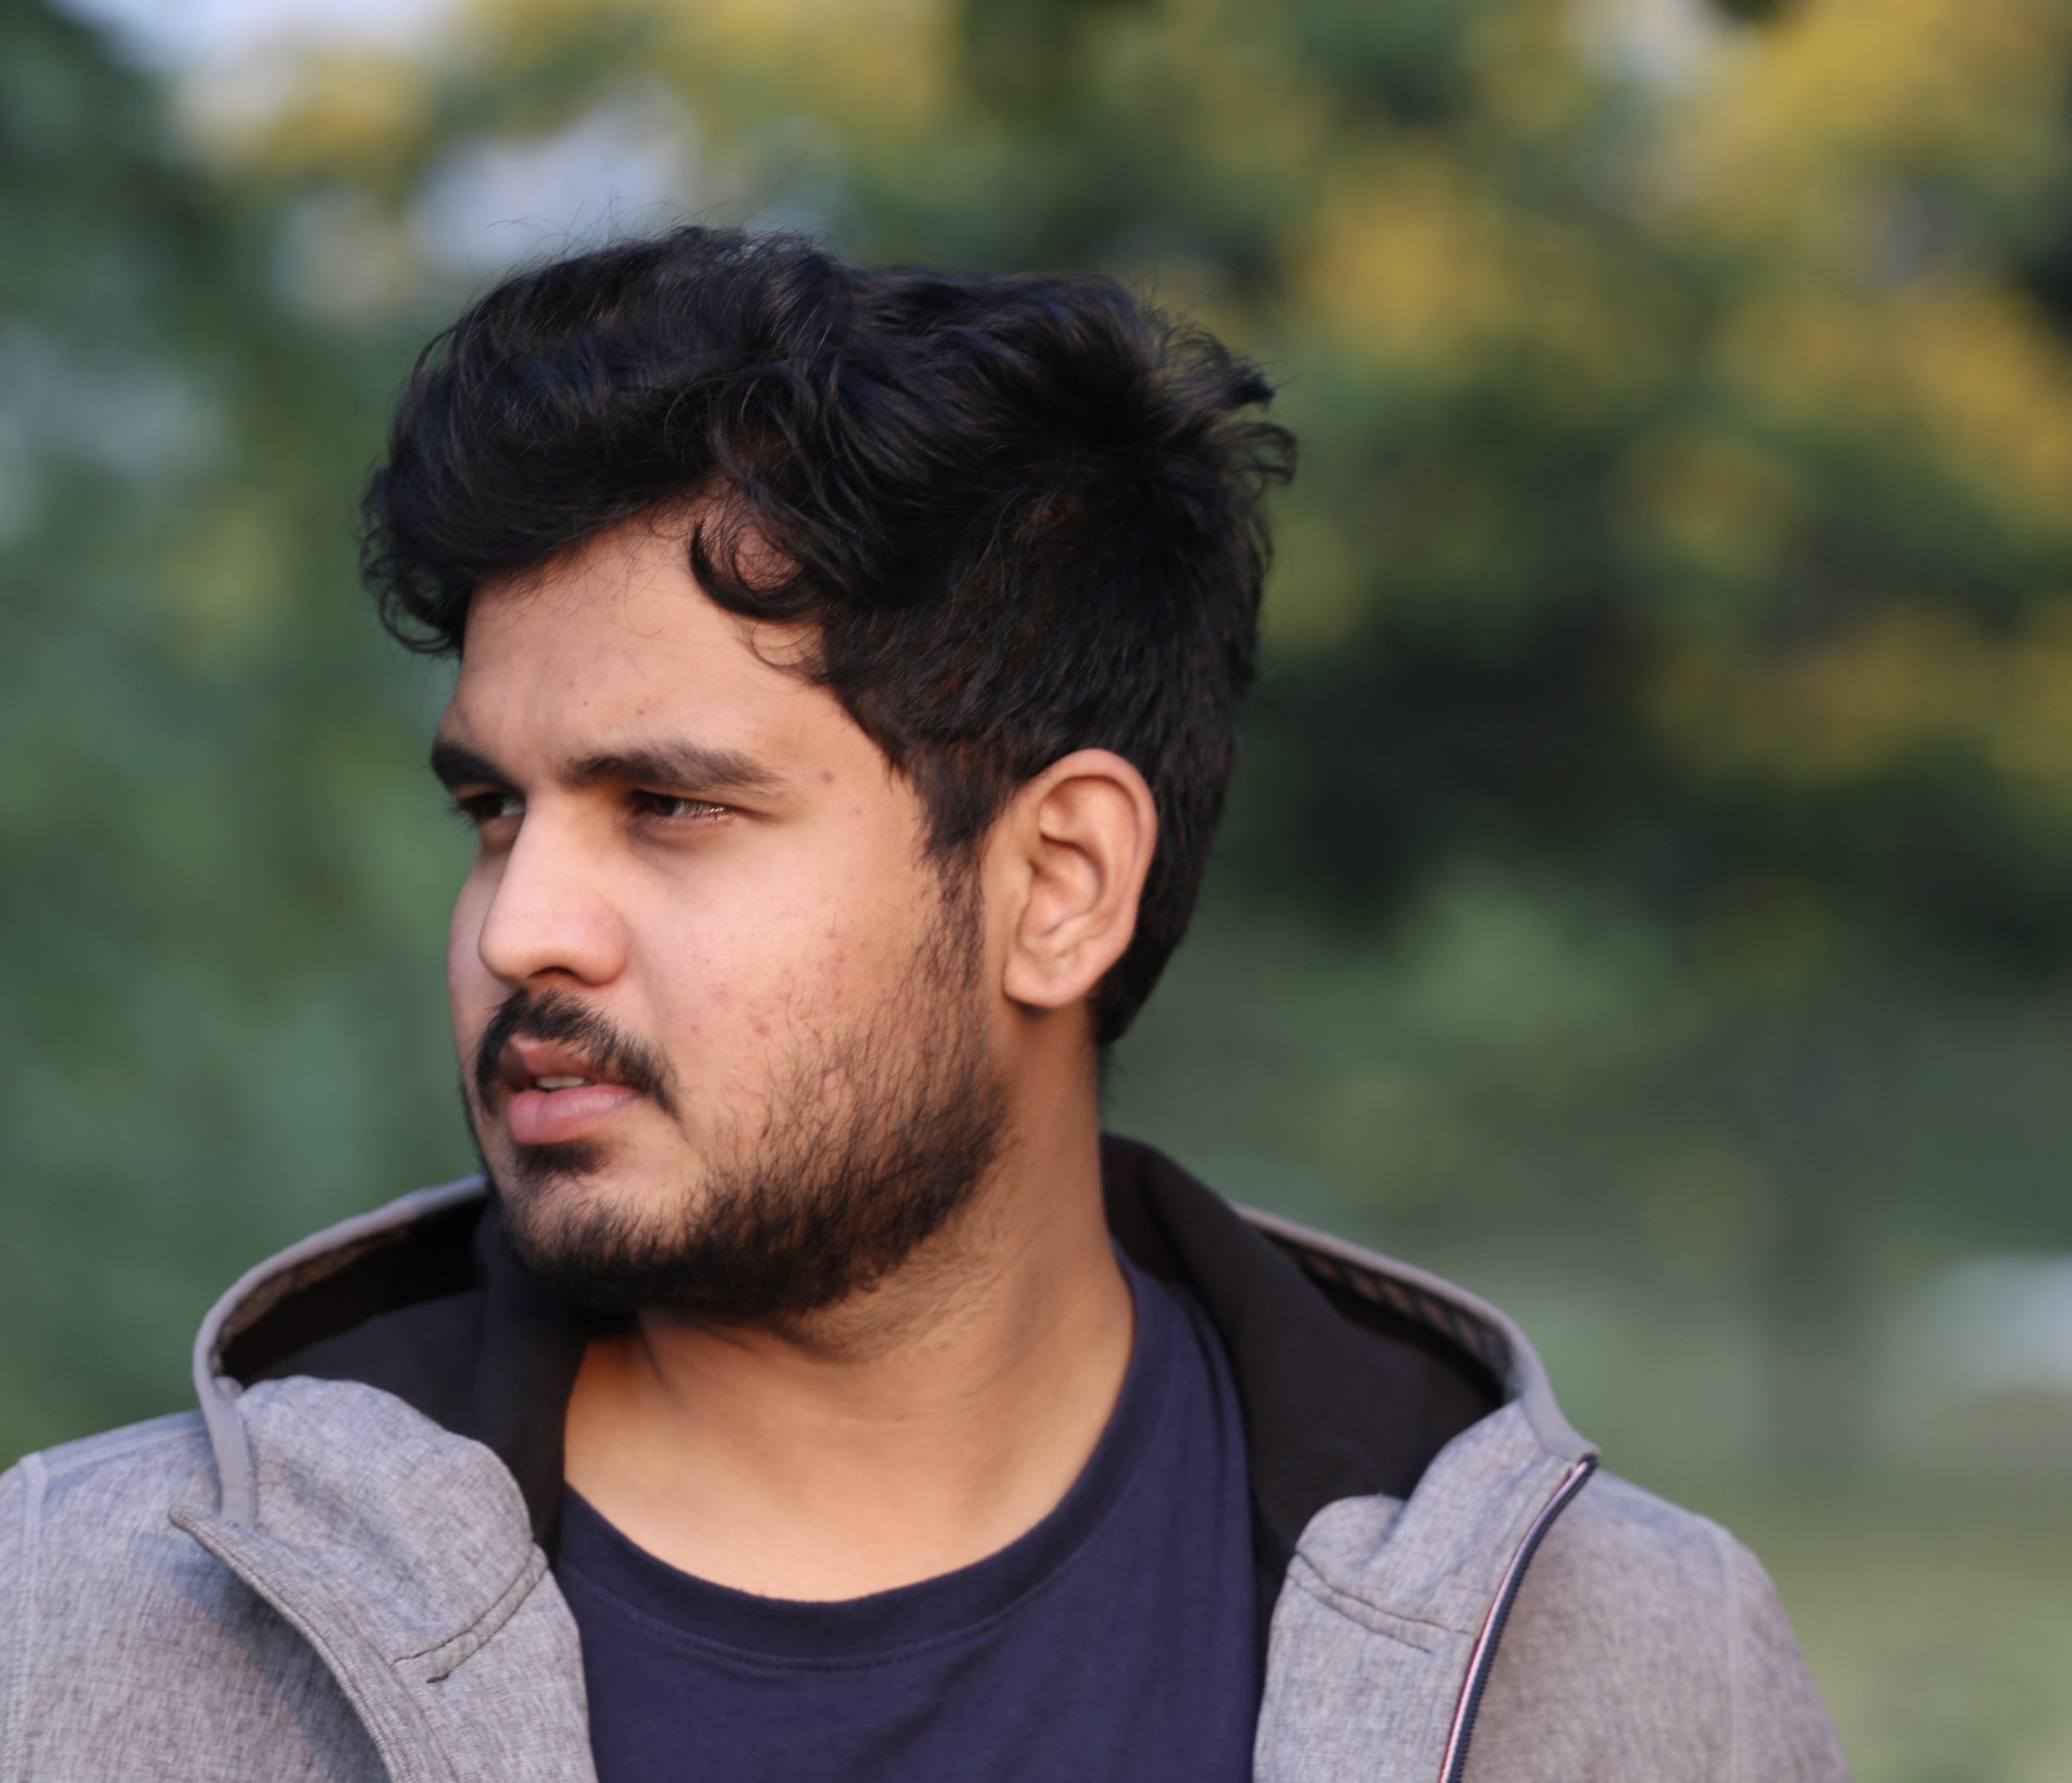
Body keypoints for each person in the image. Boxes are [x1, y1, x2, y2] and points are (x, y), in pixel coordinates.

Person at [0, 227, 1850, 1783]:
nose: (519, 928)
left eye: (671, 806)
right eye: (494, 809)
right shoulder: (82, 1628)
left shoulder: (1619, 1659)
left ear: (1059, 885)